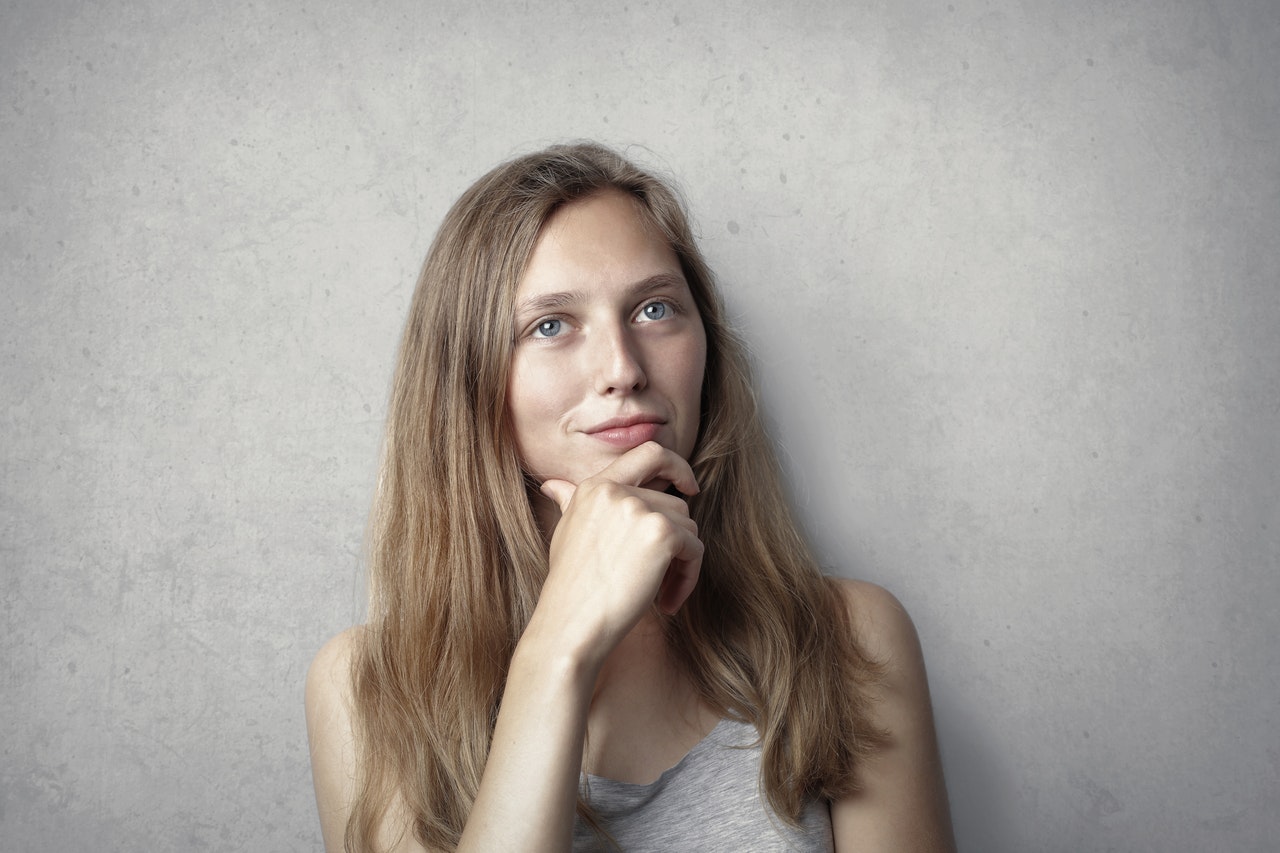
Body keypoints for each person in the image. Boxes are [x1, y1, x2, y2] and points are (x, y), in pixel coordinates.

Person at [306, 142, 955, 852]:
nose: (622, 368)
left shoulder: (848, 639)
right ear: (470, 381)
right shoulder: (370, 688)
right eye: (550, 325)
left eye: (654, 309)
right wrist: (559, 648)